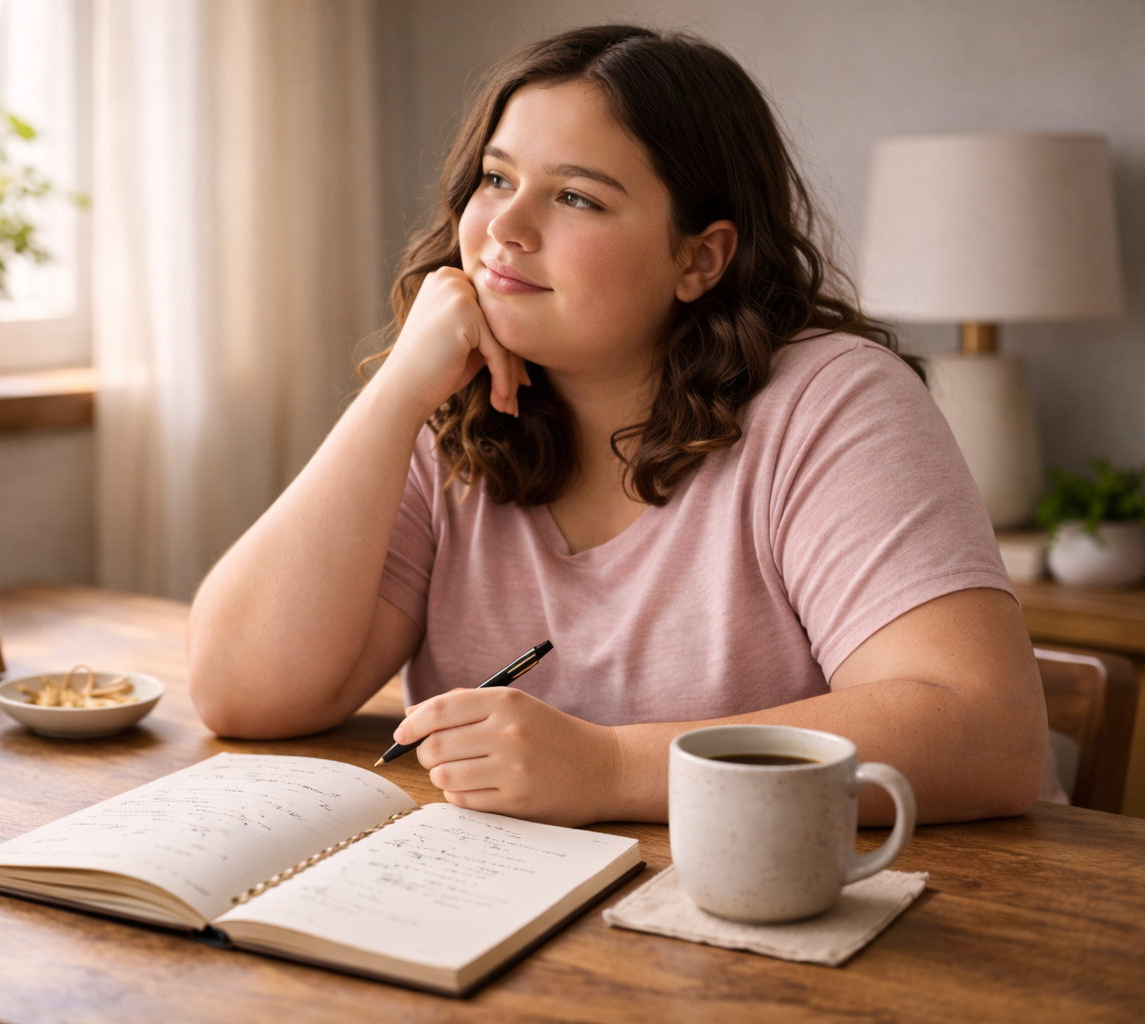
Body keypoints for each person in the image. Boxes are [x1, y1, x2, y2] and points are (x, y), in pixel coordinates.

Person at [187, 24, 1048, 827]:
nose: (504, 230)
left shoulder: (833, 403)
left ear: (698, 257)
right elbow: (240, 692)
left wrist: (608, 768)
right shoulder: (449, 407)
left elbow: (986, 733)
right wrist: (396, 394)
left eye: (576, 198)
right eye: (496, 179)